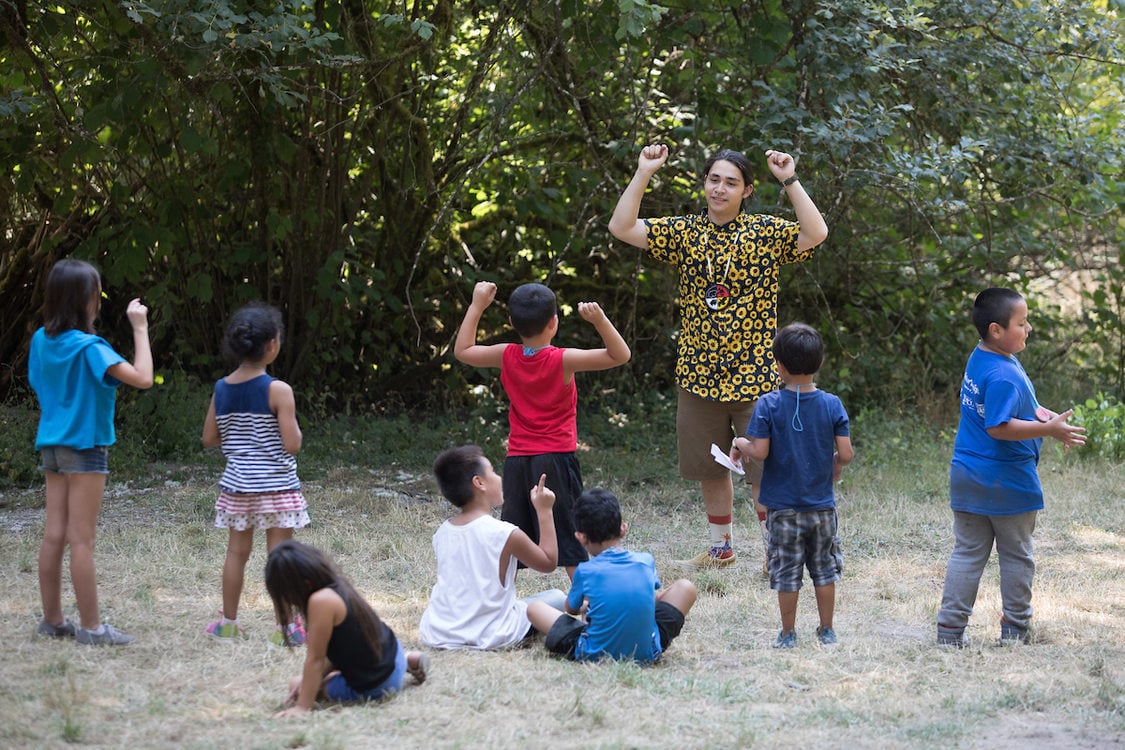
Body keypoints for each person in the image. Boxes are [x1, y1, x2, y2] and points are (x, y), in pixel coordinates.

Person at [609, 144, 829, 569]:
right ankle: (720, 548)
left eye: (731, 182)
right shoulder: (685, 232)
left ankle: (776, 550)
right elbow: (622, 226)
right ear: (704, 183)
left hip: (757, 378)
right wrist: (643, 172)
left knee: (767, 470)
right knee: (711, 468)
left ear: (747, 191)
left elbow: (815, 233)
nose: (720, 189)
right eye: (714, 179)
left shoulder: (764, 232)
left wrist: (790, 179)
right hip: (698, 376)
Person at [936, 288, 1086, 647]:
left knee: (967, 554)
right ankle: (1015, 630)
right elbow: (998, 427)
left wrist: (1047, 419)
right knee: (1017, 555)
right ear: (996, 329)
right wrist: (1048, 429)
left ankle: (949, 632)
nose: (1029, 328)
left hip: (967, 476)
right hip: (1005, 482)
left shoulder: (983, 357)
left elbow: (1011, 408)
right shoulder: (1004, 374)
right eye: (1022, 323)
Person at [454, 281, 630, 578]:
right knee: (571, 534)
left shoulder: (506, 355)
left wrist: (477, 305)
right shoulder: (563, 359)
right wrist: (600, 320)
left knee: (512, 535)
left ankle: (498, 601)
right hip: (556, 459)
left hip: (517, 461)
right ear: (554, 323)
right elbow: (619, 355)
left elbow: (464, 350)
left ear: (511, 322)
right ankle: (586, 606)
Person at [29, 258, 154, 646]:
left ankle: (53, 620)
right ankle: (92, 628)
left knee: (54, 535)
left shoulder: (40, 340)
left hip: (51, 444)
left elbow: (39, 382)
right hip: (85, 449)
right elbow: (144, 378)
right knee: (81, 540)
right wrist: (141, 328)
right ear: (86, 301)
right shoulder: (91, 348)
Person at [730, 323, 853, 648]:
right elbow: (846, 453)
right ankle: (827, 630)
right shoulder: (832, 404)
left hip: (782, 508)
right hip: (822, 507)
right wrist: (836, 465)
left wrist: (740, 442)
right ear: (820, 361)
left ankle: (787, 634)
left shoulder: (768, 404)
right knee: (824, 571)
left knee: (786, 573)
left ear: (779, 365)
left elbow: (760, 452)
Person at [202, 303, 310, 644]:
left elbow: (209, 439)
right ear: (273, 345)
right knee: (280, 557)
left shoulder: (222, 388)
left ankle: (228, 623)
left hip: (238, 487)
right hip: (277, 486)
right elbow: (292, 444)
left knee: (236, 554)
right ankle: (286, 629)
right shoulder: (278, 390)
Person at [419, 445, 567, 650]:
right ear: (479, 483)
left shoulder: (442, 533)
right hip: (492, 633)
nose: (499, 478)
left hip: (440, 631)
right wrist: (544, 511)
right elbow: (548, 562)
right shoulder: (504, 533)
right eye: (493, 472)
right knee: (557, 598)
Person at [527, 488, 698, 663]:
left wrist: (587, 606)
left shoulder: (585, 570)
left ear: (580, 537)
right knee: (685, 587)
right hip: (648, 652)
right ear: (623, 529)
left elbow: (571, 609)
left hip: (593, 655)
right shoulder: (645, 561)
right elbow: (653, 601)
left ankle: (595, 630)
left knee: (534, 608)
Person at [265, 540, 429, 716]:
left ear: (303, 585)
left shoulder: (320, 601)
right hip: (394, 655)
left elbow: (316, 659)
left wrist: (302, 706)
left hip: (380, 685)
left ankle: (400, 670)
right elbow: (339, 652)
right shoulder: (337, 584)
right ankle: (408, 660)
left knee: (296, 684)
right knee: (306, 681)